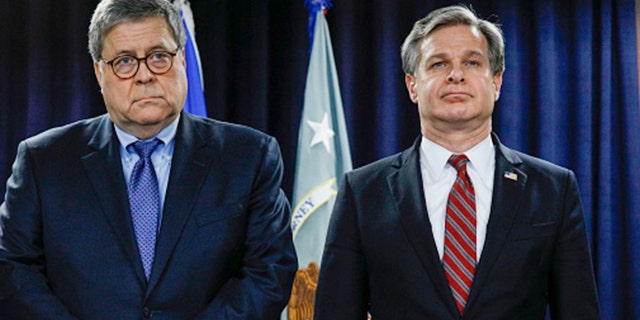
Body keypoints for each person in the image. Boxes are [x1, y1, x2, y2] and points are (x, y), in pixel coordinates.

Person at [0, 0, 297, 319]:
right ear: (100, 73)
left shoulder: (248, 157)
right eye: (125, 61)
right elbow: (14, 268)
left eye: (159, 57)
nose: (145, 76)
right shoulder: (43, 161)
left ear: (182, 60)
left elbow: (269, 271)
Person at [314, 5, 600, 319]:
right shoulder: (362, 192)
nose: (456, 74)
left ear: (497, 82)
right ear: (412, 85)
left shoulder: (553, 190)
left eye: (472, 62)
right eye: (438, 63)